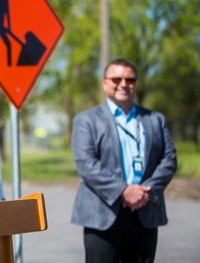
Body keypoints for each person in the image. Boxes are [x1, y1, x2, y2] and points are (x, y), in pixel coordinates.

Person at [71, 58, 177, 263]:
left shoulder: (155, 119)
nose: (123, 84)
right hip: (102, 214)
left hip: (144, 211)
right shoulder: (86, 120)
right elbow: (86, 163)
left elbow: (169, 158)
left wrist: (146, 191)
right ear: (104, 83)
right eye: (116, 79)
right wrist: (124, 191)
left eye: (130, 80)